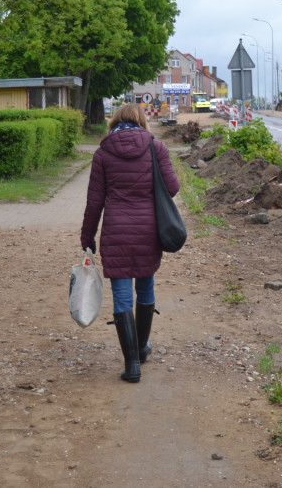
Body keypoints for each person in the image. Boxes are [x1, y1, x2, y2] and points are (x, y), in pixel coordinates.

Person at [81, 103, 180, 383]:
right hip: (149, 231)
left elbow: (94, 203)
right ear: (142, 121)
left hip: (116, 233)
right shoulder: (156, 148)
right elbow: (172, 188)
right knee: (146, 287)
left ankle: (132, 364)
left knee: (123, 295)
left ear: (115, 122)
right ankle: (141, 347)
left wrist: (87, 237)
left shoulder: (102, 153)